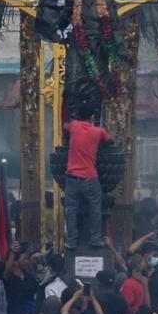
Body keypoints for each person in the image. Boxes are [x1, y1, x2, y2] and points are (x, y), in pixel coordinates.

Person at [61, 87, 110, 252]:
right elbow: (109, 139)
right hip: (90, 178)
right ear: (92, 117)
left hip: (72, 178)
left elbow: (66, 127)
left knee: (71, 210)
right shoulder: (98, 131)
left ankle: (72, 241)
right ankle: (95, 239)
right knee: (95, 208)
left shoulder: (74, 126)